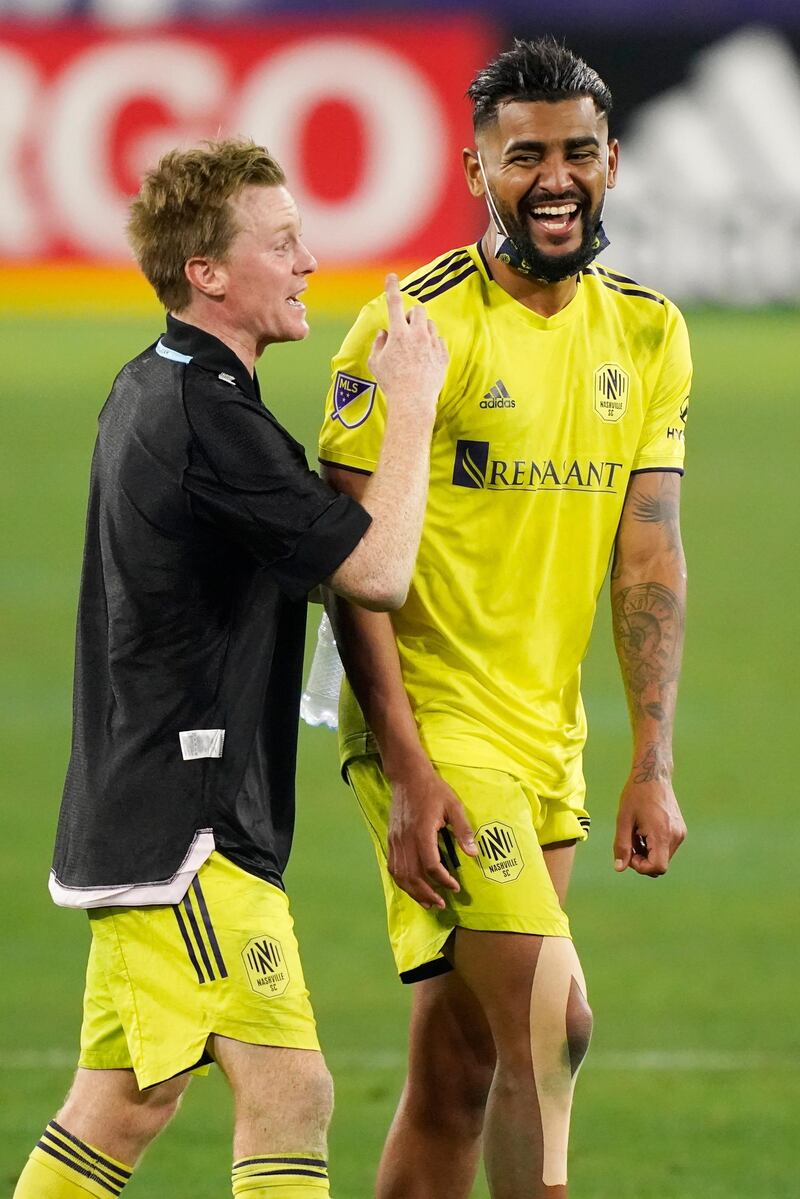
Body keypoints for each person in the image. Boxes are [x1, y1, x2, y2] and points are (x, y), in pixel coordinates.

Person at [13, 138, 448, 1199]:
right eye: (283, 241)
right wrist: (415, 402)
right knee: (290, 1087)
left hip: (139, 808)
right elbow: (378, 571)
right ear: (207, 271)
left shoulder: (154, 385)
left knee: (121, 1103)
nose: (308, 262)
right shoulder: (209, 416)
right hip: (188, 825)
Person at [317, 37, 690, 1199]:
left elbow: (646, 550)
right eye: (523, 155)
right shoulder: (411, 333)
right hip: (435, 727)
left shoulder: (645, 331)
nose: (554, 177)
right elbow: (347, 568)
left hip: (547, 738)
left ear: (613, 162)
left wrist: (651, 756)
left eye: (577, 151)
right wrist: (409, 765)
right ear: (474, 166)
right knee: (550, 1024)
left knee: (462, 1063)